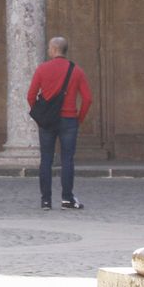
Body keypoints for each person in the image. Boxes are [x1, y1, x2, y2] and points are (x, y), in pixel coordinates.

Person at [25, 36, 92, 210]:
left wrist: (41, 115)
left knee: (46, 159)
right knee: (67, 160)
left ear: (54, 50)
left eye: (49, 48)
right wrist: (79, 118)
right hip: (69, 120)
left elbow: (30, 95)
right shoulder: (76, 70)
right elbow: (87, 98)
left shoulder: (42, 69)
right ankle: (67, 199)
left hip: (48, 121)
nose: (48, 51)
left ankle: (45, 200)